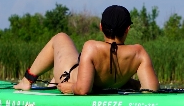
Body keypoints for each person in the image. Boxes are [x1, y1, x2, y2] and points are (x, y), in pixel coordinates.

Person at [13, 5, 158, 95]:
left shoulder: (92, 47)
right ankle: (51, 82)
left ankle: (27, 80)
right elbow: (151, 90)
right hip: (86, 76)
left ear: (101, 27)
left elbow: (83, 89)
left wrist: (70, 88)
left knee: (61, 38)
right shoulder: (139, 52)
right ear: (127, 29)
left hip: (68, 77)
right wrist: (127, 82)